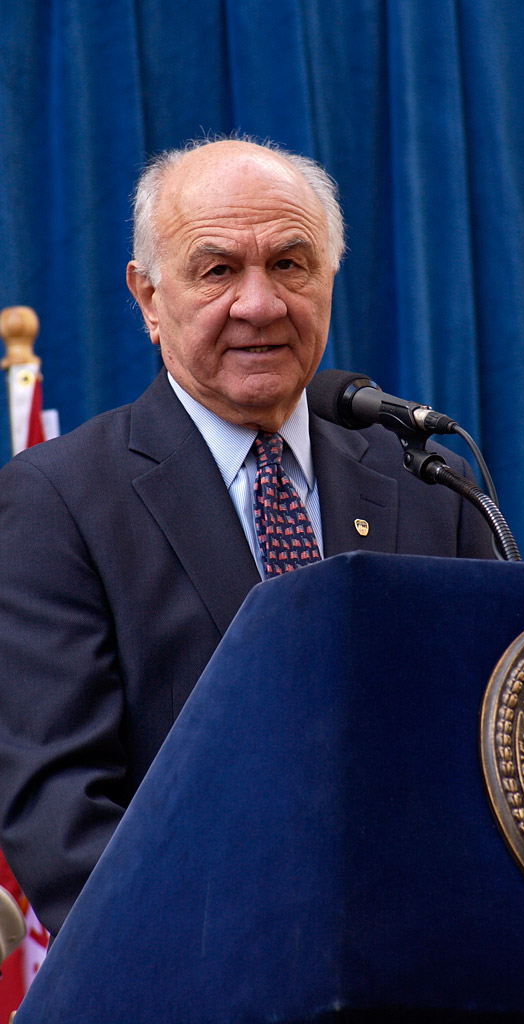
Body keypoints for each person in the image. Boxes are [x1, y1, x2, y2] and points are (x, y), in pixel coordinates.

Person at [0, 137, 494, 937]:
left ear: (328, 279)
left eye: (291, 264)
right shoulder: (57, 502)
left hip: (429, 954)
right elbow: (61, 820)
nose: (260, 305)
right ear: (148, 299)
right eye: (218, 269)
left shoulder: (428, 480)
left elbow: (491, 746)